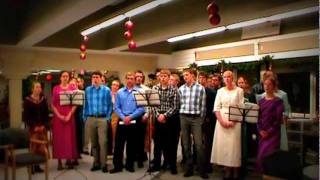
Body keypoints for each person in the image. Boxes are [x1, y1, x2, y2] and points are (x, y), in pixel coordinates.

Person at [211, 70, 244, 179]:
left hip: (235, 121)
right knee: (224, 147)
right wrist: (222, 121)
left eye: (229, 76)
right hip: (222, 120)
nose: (227, 79)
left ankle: (235, 171)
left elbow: (241, 107)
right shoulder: (220, 91)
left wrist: (233, 121)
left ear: (232, 78)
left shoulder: (239, 91)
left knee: (234, 147)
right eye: (225, 77)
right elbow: (216, 108)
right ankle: (227, 171)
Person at [110, 72, 145, 173]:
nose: (130, 80)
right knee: (118, 145)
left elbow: (142, 109)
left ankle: (129, 165)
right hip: (122, 120)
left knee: (132, 145)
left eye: (132, 78)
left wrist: (130, 117)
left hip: (133, 120)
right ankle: (117, 166)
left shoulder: (140, 92)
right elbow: (116, 107)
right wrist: (123, 117)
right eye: (128, 78)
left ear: (135, 80)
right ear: (125, 79)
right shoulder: (120, 92)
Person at [148, 69, 180, 175]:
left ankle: (171, 165)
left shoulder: (174, 89)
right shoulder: (154, 88)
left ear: (168, 77)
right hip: (158, 118)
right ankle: (156, 164)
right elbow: (152, 104)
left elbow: (175, 106)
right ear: (159, 77)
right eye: (161, 76)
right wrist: (158, 115)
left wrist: (165, 115)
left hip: (170, 119)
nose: (162, 78)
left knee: (170, 144)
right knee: (157, 144)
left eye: (165, 76)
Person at [179, 68, 208, 179]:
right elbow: (179, 104)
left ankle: (202, 170)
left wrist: (201, 120)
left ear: (192, 75)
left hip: (196, 119)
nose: (184, 77)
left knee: (199, 145)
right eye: (183, 75)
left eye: (186, 75)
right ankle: (189, 168)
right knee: (186, 145)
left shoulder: (200, 88)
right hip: (184, 117)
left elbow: (203, 106)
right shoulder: (181, 89)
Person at [83, 71, 113, 173]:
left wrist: (108, 118)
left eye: (97, 77)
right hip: (91, 118)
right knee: (94, 143)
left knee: (103, 142)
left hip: (102, 119)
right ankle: (96, 163)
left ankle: (104, 164)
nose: (95, 79)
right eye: (93, 77)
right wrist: (85, 117)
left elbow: (110, 105)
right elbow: (85, 105)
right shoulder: (87, 90)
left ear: (101, 78)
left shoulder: (106, 90)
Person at [256, 77, 284, 172]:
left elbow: (278, 119)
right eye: (265, 84)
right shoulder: (261, 101)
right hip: (262, 134)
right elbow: (258, 118)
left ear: (274, 86)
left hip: (273, 134)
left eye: (269, 84)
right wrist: (260, 130)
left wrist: (269, 132)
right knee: (260, 159)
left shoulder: (278, 101)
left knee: (271, 158)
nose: (266, 86)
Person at [51, 71, 78, 170]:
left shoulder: (73, 88)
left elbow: (76, 103)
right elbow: (52, 104)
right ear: (60, 78)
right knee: (59, 139)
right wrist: (59, 115)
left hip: (70, 116)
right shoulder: (56, 88)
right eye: (63, 76)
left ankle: (69, 159)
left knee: (69, 138)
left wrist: (69, 115)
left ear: (68, 78)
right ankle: (59, 161)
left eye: (67, 76)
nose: (65, 78)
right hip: (58, 117)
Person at [23, 81, 50, 173]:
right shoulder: (27, 101)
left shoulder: (43, 100)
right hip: (33, 128)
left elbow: (46, 114)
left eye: (40, 87)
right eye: (37, 87)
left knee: (41, 147)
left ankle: (37, 165)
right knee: (33, 147)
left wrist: (44, 125)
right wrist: (34, 126)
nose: (39, 89)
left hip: (42, 127)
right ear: (32, 89)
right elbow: (26, 117)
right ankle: (31, 166)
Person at [198, 72, 217, 173]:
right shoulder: (196, 90)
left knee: (208, 143)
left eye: (202, 78)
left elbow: (214, 107)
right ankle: (198, 163)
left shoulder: (211, 92)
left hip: (208, 120)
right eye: (199, 78)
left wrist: (208, 117)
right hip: (197, 120)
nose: (201, 80)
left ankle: (207, 164)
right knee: (198, 143)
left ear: (205, 79)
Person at [134, 70, 149, 167]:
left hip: (142, 116)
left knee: (141, 138)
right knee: (132, 138)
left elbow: (149, 104)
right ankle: (132, 156)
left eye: (140, 76)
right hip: (131, 115)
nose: (139, 78)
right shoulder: (130, 88)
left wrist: (146, 115)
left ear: (142, 78)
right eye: (137, 76)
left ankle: (140, 159)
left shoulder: (146, 89)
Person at [74, 75, 85, 163]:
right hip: (73, 116)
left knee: (79, 135)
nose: (77, 83)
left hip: (80, 116)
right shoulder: (71, 93)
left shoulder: (83, 92)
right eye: (76, 82)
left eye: (79, 81)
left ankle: (78, 152)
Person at [110, 80, 121, 152]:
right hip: (108, 116)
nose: (115, 86)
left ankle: (115, 149)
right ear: (111, 86)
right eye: (114, 85)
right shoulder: (108, 94)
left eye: (117, 85)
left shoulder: (120, 95)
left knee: (116, 134)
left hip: (117, 116)